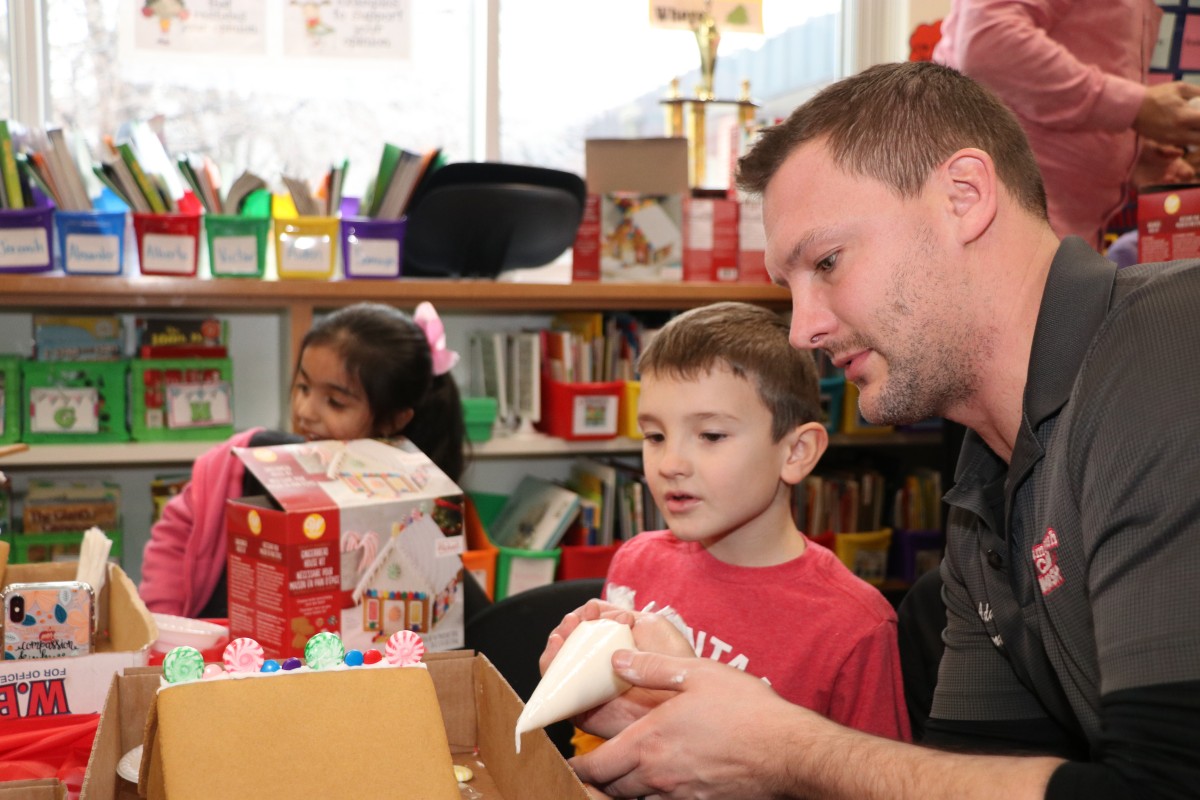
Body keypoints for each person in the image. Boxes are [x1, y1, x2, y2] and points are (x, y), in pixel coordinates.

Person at [541, 61, 1200, 799]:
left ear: (965, 197)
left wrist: (782, 748)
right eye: (789, 287)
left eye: (827, 261)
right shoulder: (986, 495)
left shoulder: (1172, 354)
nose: (802, 331)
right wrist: (690, 722)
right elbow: (966, 776)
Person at [601, 301, 909, 739]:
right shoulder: (635, 562)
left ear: (795, 452)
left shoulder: (853, 626)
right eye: (655, 436)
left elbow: (875, 779)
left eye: (711, 435)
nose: (669, 463)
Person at [139, 301, 466, 618]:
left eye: (335, 402)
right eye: (303, 387)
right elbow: (178, 534)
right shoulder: (248, 460)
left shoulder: (414, 505)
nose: (304, 412)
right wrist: (164, 623)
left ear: (394, 420)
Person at [933, 0, 1200, 250]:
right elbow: (989, 43)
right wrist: (1134, 107)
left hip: (1042, 229)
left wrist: (1131, 152)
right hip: (1011, 226)